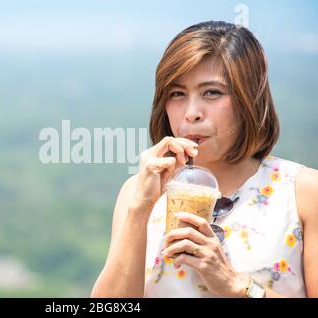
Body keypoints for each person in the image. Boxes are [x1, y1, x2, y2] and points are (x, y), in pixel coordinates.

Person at [91, 21, 318, 298]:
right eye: (177, 94)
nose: (191, 113)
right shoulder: (137, 193)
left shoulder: (303, 192)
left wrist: (237, 286)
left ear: (250, 99)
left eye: (212, 92)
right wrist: (141, 207)